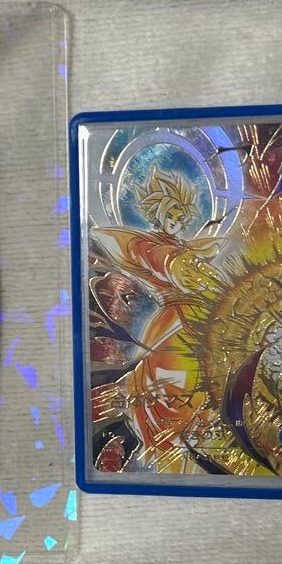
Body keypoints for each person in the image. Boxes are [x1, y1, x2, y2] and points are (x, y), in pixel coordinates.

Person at [89, 166, 222, 471]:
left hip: (198, 316)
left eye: (181, 217)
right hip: (178, 318)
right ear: (157, 212)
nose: (176, 222)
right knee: (173, 373)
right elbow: (152, 257)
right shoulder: (148, 245)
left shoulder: (181, 247)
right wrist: (175, 265)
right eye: (171, 214)